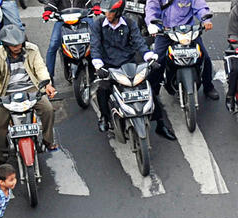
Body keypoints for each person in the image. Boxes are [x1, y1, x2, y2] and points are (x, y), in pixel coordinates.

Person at [90, 0, 176, 139]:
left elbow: (139, 43)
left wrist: (149, 58)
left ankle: (160, 124)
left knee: (147, 88)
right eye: (106, 11)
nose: (107, 14)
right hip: (108, 64)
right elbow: (95, 47)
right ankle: (104, 117)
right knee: (103, 88)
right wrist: (99, 66)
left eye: (110, 12)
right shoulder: (98, 25)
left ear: (118, 13)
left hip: (129, 62)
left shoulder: (130, 23)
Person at [0, 26, 58, 164]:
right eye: (13, 45)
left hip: (31, 89)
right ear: (5, 45)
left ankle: (48, 141)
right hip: (6, 91)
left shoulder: (32, 49)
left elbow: (40, 68)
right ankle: (1, 154)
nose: (17, 47)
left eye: (19, 43)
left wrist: (47, 84)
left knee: (48, 109)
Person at [146, 0, 219, 100]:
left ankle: (208, 86)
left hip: (188, 31)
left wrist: (205, 20)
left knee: (204, 57)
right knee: (157, 61)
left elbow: (200, 6)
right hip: (165, 32)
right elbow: (151, 8)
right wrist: (151, 24)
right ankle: (153, 91)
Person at [43, 0, 99, 82]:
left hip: (84, 17)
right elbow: (52, 2)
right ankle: (48, 78)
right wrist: (48, 10)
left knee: (97, 40)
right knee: (53, 44)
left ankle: (103, 69)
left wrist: (96, 5)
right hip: (62, 20)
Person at [226, 0, 238, 111]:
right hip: (237, 45)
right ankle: (230, 95)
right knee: (235, 69)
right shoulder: (236, 11)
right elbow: (233, 34)